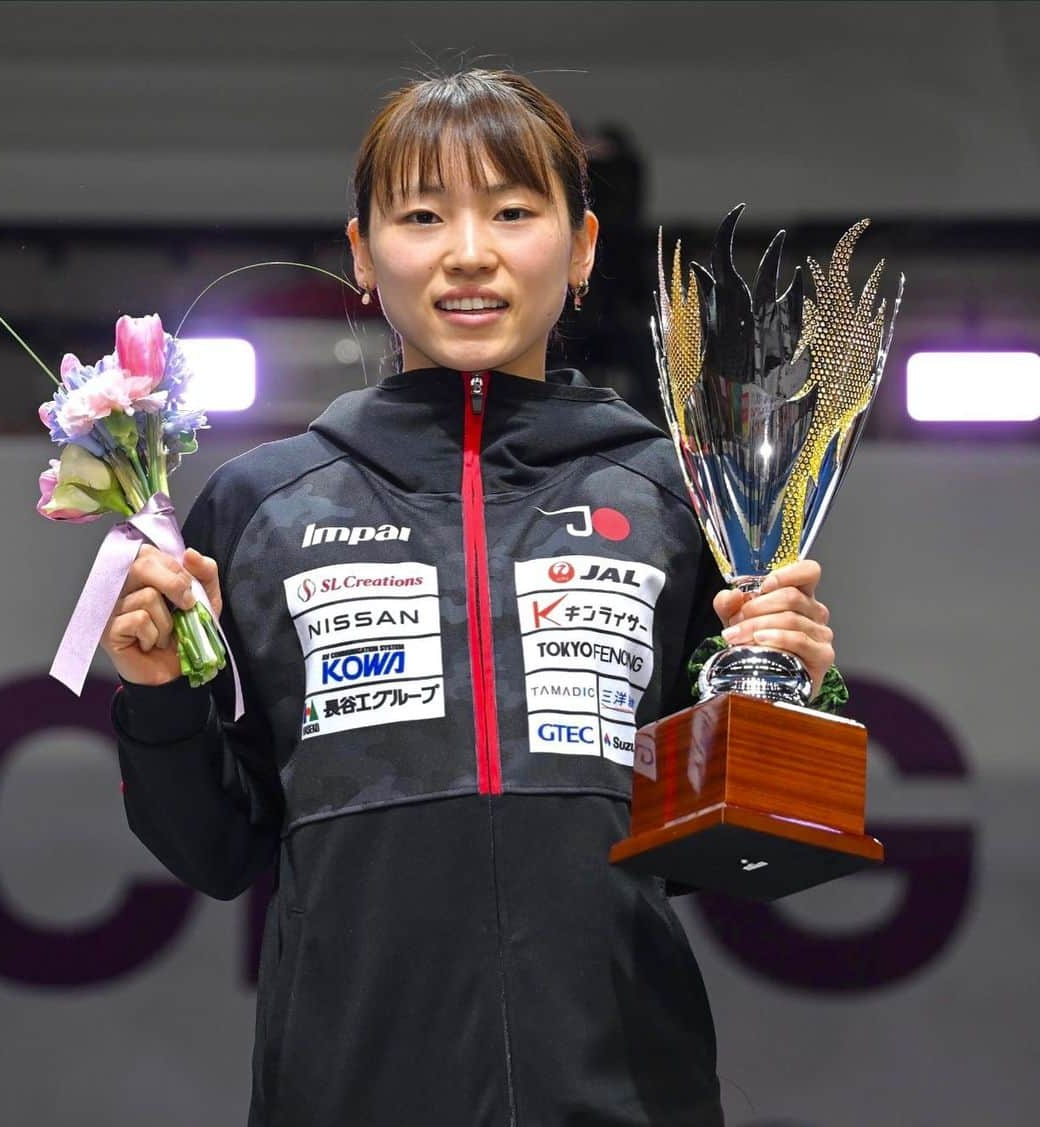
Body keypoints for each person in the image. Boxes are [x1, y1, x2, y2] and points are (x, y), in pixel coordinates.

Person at [104, 69, 835, 1127]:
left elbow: (762, 854)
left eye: (512, 211)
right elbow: (215, 848)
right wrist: (160, 696)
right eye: (421, 215)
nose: (469, 252)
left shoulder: (683, 495)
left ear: (581, 249)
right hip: (344, 1089)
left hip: (627, 1089)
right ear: (362, 252)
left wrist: (795, 687)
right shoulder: (260, 507)